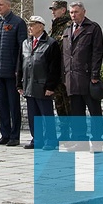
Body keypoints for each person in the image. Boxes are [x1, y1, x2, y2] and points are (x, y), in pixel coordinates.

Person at [0, 0, 28, 147]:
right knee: (1, 104)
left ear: (9, 6)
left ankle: (14, 135)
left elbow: (22, 48)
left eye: (1, 4)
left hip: (12, 72)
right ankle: (4, 134)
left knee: (13, 105)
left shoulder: (18, 23)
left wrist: (19, 70)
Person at [61, 1, 103, 142]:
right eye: (71, 12)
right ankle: (80, 139)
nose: (73, 15)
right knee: (77, 112)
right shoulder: (67, 30)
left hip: (87, 78)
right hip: (72, 78)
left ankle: (97, 139)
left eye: (76, 12)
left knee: (94, 112)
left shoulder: (92, 28)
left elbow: (97, 52)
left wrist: (95, 75)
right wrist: (64, 75)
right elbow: (65, 55)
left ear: (84, 12)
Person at [17, 16, 61, 150]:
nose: (29, 28)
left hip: (43, 86)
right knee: (33, 115)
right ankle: (37, 139)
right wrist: (19, 83)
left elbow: (55, 68)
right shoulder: (25, 43)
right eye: (29, 25)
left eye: (32, 25)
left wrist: (50, 86)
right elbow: (20, 64)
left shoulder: (51, 43)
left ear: (41, 26)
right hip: (29, 85)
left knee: (46, 115)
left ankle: (51, 140)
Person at [49, 0, 72, 119]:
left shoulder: (69, 25)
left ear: (63, 10)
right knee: (59, 104)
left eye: (55, 9)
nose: (52, 12)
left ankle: (75, 134)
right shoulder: (54, 26)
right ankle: (64, 133)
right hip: (55, 72)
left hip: (66, 71)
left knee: (69, 105)